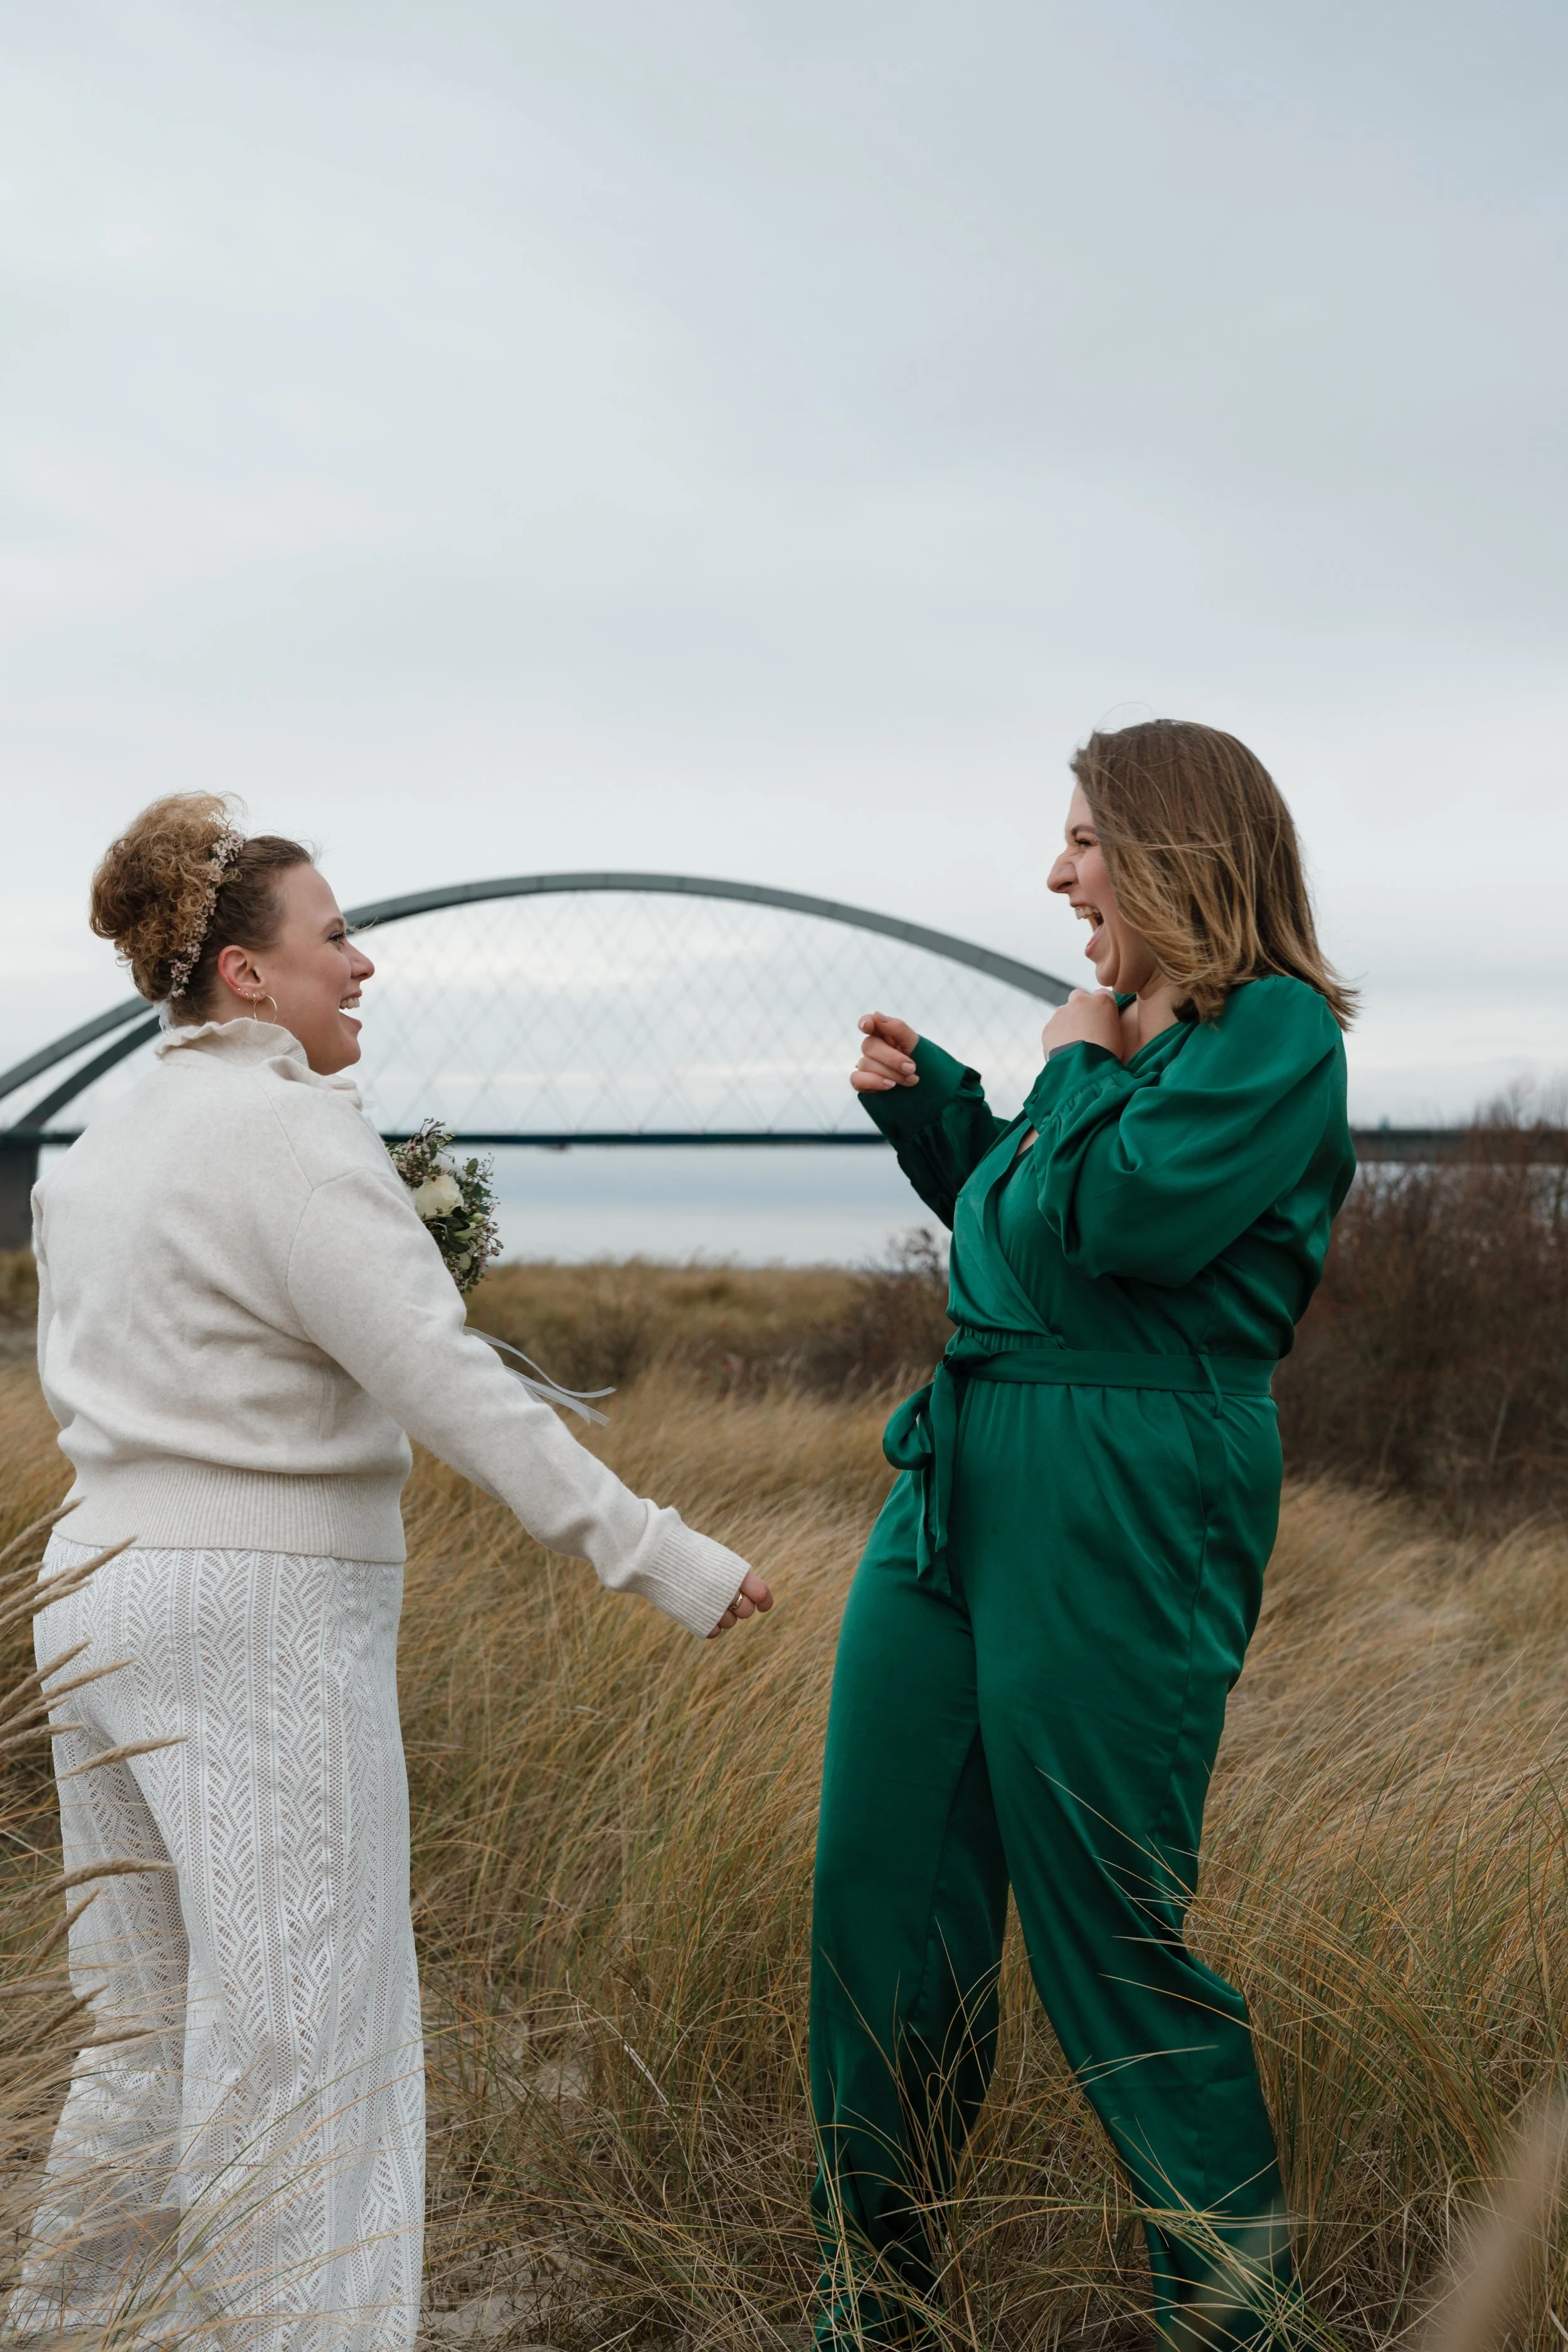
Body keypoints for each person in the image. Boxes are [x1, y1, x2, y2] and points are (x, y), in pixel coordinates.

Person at [18, 794, 773, 2351]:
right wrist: (660, 1556)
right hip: (257, 1609)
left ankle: (72, 2327)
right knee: (312, 2038)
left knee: (144, 2030)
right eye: (335, 937)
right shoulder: (289, 1131)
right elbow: (447, 1381)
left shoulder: (98, 1150)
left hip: (94, 1594)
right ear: (243, 974)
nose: (362, 967)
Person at [808, 719, 1356, 2349]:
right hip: (960, 1478)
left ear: (1174, 847)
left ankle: (1239, 2319)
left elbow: (1118, 1220)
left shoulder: (1268, 1035)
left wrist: (1067, 1060)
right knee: (879, 1892)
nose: (1056, 874)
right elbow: (1034, 1232)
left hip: (1129, 1484)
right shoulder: (1121, 1038)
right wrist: (946, 1120)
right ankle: (871, 2302)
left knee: (1106, 1921)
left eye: (1083, 841)